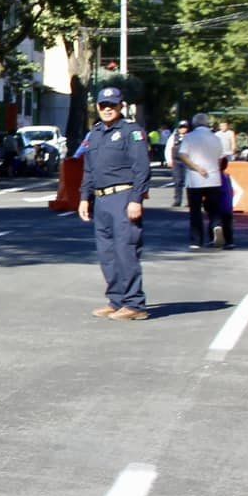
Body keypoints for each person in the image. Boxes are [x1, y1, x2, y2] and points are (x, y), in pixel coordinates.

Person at [78, 85, 151, 321]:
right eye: (103, 105)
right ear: (97, 107)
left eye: (112, 105)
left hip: (123, 197)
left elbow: (141, 168)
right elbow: (89, 169)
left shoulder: (132, 131)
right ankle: (116, 300)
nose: (107, 109)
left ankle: (134, 304)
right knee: (106, 253)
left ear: (121, 106)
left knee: (125, 250)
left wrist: (136, 199)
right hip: (101, 200)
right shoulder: (95, 133)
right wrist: (83, 197)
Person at [176, 112, 227, 250]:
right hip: (214, 178)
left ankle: (196, 241)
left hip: (195, 179)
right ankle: (216, 226)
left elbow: (182, 154)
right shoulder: (216, 138)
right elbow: (221, 158)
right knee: (214, 209)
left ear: (194, 124)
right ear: (207, 123)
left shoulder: (189, 137)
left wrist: (197, 167)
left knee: (195, 210)